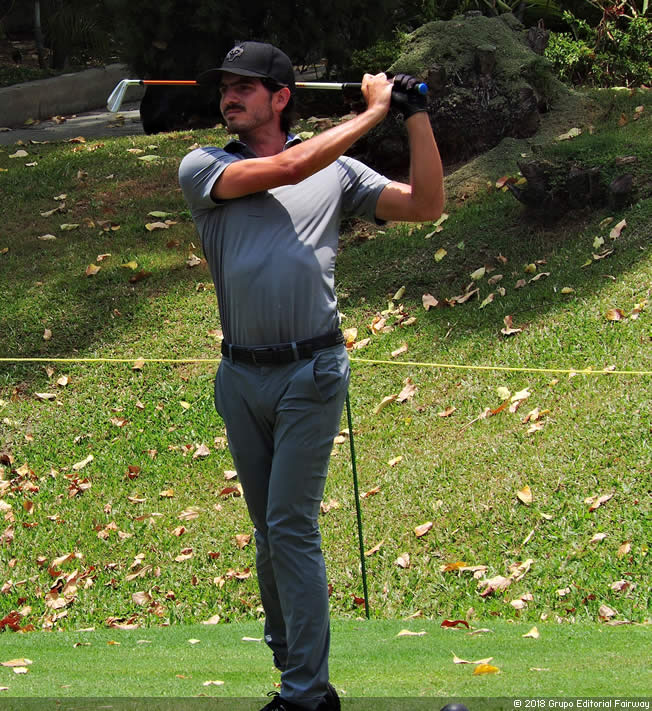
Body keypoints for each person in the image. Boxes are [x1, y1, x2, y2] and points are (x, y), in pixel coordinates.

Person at [178, 41, 444, 711]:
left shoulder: (338, 172)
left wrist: (414, 115)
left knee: (290, 525)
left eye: (245, 86)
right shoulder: (204, 166)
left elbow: (426, 205)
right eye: (225, 86)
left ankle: (306, 694)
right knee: (270, 534)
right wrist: (374, 111)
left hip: (312, 371)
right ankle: (292, 665)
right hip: (241, 376)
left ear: (281, 97)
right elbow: (291, 165)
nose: (229, 96)